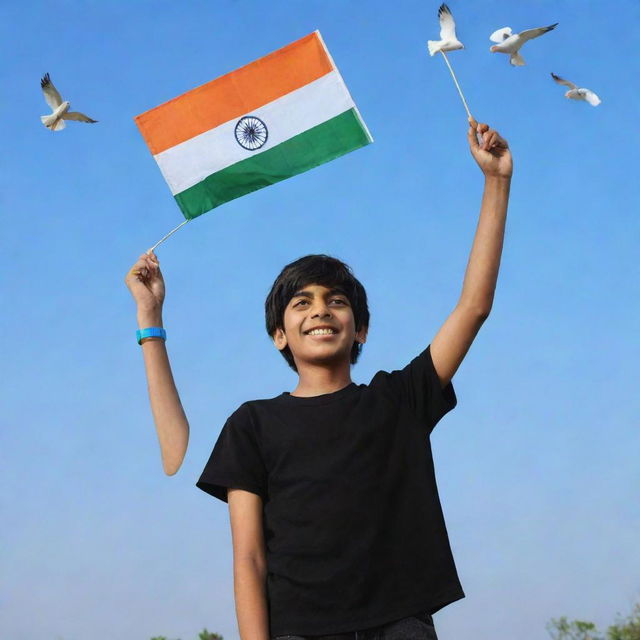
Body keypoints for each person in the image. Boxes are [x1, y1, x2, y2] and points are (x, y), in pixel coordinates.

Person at [125, 119, 513, 640]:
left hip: (400, 627)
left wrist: (496, 182)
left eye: (337, 301)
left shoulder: (398, 399)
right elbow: (249, 559)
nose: (320, 311)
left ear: (362, 330)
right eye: (301, 302)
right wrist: (149, 314)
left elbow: (474, 306)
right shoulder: (253, 425)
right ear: (279, 335)